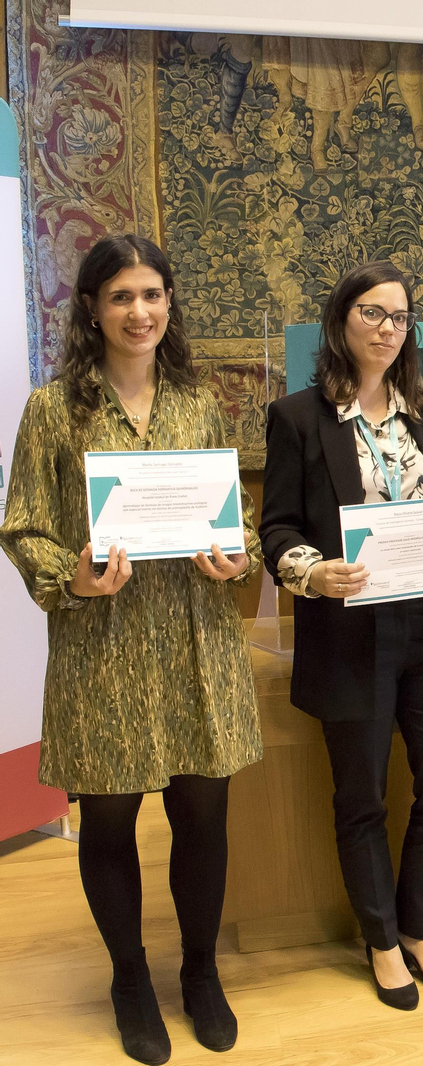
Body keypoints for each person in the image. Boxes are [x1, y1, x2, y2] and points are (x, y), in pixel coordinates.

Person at [0, 234, 262, 1064]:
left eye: (152, 295)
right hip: (102, 644)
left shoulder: (198, 405)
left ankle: (200, 971)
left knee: (203, 817)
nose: (139, 312)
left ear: (169, 303)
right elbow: (23, 526)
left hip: (195, 640)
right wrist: (70, 577)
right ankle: (129, 977)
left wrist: (238, 557)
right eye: (120, 296)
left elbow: (236, 521)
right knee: (110, 821)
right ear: (92, 308)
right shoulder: (54, 410)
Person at [261, 261, 423, 1009]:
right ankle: (382, 940)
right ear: (341, 320)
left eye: (399, 316)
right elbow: (276, 528)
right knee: (361, 798)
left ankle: (419, 925)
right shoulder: (298, 417)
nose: (387, 328)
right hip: (350, 633)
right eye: (372, 312)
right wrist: (312, 571)